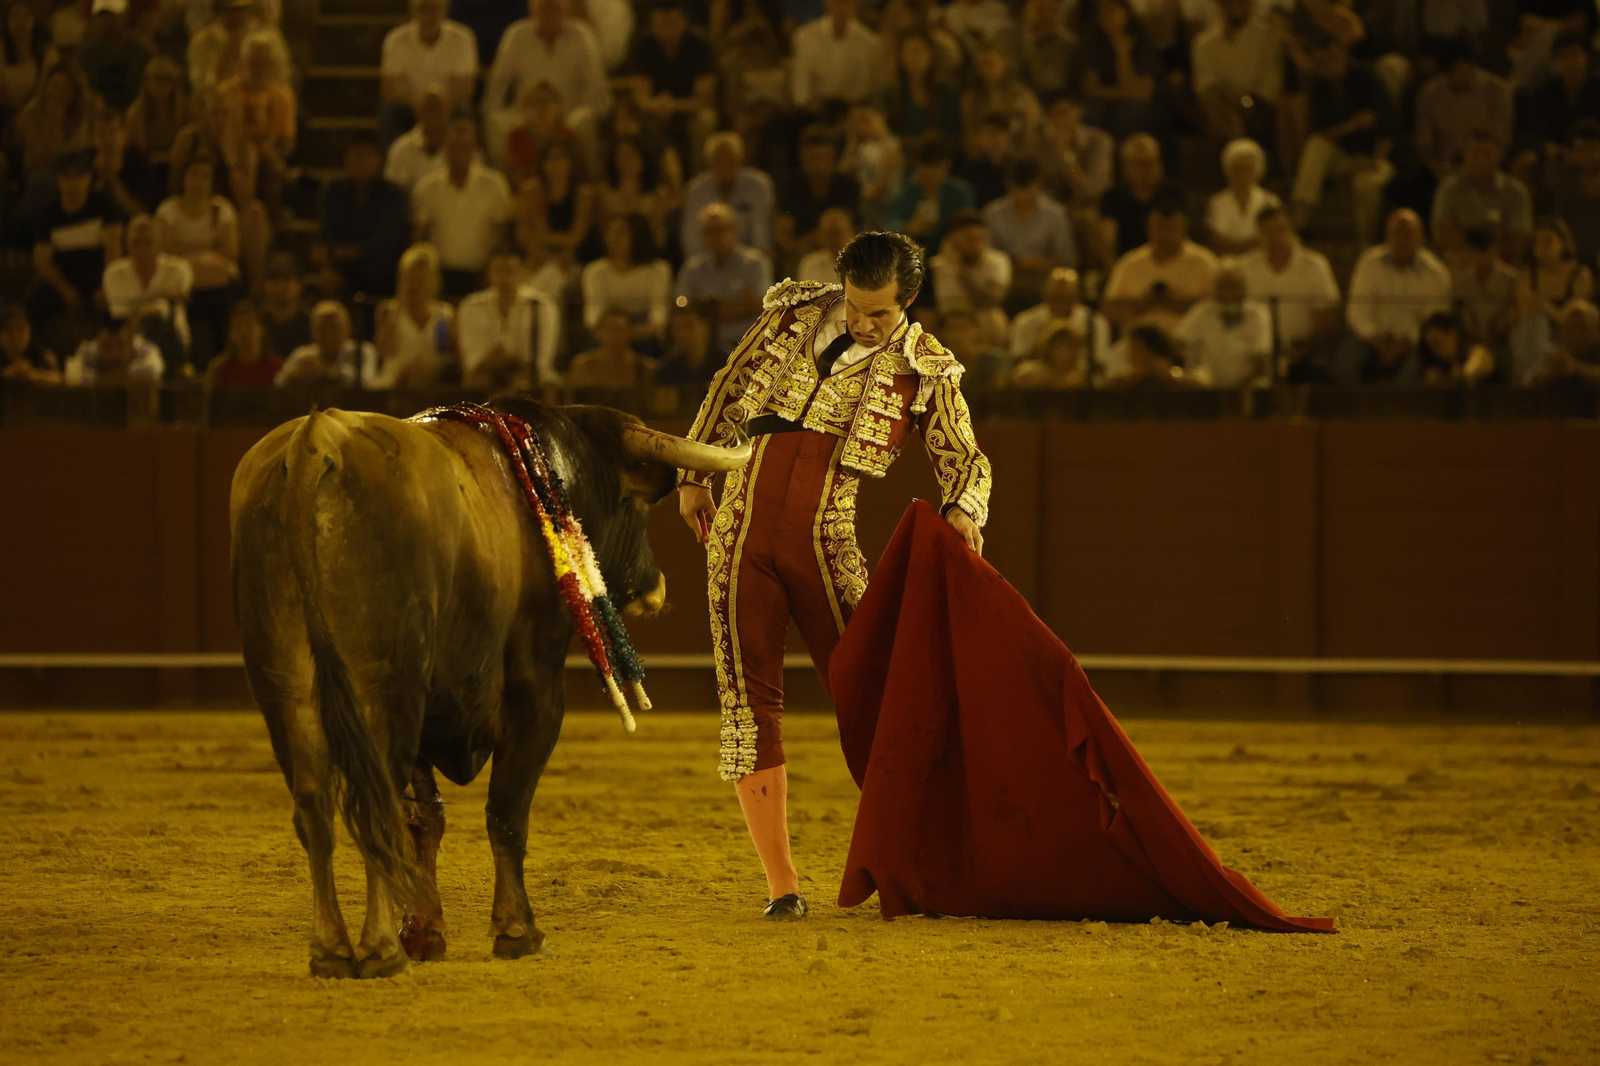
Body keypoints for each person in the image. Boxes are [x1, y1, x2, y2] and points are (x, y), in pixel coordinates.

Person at [674, 230, 990, 918]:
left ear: (908, 302)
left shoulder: (927, 368)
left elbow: (965, 457)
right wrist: (695, 472)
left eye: (879, 314)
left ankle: (917, 861)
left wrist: (965, 508)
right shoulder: (793, 311)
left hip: (827, 540)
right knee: (748, 705)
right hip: (739, 531)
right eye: (855, 307)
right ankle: (782, 886)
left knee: (875, 696)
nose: (862, 322)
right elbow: (730, 388)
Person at [1289, 37, 1395, 251]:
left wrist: (1374, 160)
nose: (1329, 63)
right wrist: (1353, 124)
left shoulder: (1368, 76)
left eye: (1332, 56)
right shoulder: (1318, 86)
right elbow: (1319, 133)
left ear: (1342, 53)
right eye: (1322, 60)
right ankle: (1300, 223)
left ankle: (1365, 244)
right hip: (1343, 158)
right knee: (1316, 146)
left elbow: (1389, 126)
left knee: (1366, 184)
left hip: (1377, 157)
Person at [483, 0, 610, 167]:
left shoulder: (582, 35)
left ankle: (584, 181)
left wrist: (598, 111)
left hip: (567, 114)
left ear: (566, 11)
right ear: (533, 11)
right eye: (545, 9)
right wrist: (490, 111)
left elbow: (596, 85)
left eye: (555, 9)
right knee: (496, 123)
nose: (550, 14)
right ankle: (505, 183)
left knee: (584, 121)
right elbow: (498, 83)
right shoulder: (516, 34)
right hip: (525, 115)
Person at [1341, 209, 1452, 385]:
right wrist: (1378, 341)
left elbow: (1434, 322)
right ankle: (1354, 411)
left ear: (1421, 238)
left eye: (1407, 235)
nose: (1400, 241)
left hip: (1414, 344)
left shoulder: (1436, 273)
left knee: (1419, 365)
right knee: (1346, 360)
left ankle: (1399, 412)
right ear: (1387, 236)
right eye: (1395, 234)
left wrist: (1404, 344)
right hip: (1372, 339)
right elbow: (1357, 312)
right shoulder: (1369, 263)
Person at [411, 118, 515, 297]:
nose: (459, 154)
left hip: (482, 275)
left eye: (465, 147)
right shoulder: (428, 187)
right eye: (453, 147)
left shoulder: (494, 184)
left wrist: (491, 272)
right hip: (441, 276)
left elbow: (502, 233)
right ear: (445, 150)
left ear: (475, 151)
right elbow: (418, 236)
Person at [26, 151, 125, 337]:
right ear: (58, 180)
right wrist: (64, 290)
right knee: (34, 303)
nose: (73, 184)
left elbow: (114, 250)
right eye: (67, 178)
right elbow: (41, 260)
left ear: (88, 178)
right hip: (63, 279)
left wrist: (107, 285)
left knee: (114, 304)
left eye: (79, 177)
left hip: (97, 278)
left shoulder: (105, 206)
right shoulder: (48, 215)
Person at [154, 152, 239, 364]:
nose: (199, 182)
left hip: (214, 281)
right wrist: (208, 246)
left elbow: (230, 253)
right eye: (194, 175)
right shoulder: (168, 210)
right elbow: (161, 250)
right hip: (182, 282)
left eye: (205, 176)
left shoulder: (222, 210)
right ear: (184, 178)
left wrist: (182, 249)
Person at [1237, 204, 1341, 373]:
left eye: (1279, 229)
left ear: (1290, 230)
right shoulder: (1243, 268)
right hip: (1254, 353)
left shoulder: (1315, 265)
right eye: (1267, 231)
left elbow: (1327, 315)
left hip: (1304, 352)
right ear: (1258, 235)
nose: (1275, 237)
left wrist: (1301, 352)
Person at [1101, 191, 1219, 333]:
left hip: (1189, 343)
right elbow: (1109, 309)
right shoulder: (1129, 262)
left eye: (1172, 228)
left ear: (1185, 227)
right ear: (1148, 228)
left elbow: (1217, 309)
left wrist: (1174, 303)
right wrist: (1143, 303)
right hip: (1139, 344)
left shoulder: (1205, 262)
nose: (1165, 234)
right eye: (1158, 227)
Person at [317, 133, 410, 300]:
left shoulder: (393, 195)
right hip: (342, 272)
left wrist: (341, 252)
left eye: (367, 155)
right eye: (356, 155)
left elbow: (385, 244)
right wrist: (330, 262)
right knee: (328, 279)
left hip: (382, 274)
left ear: (379, 159)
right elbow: (326, 236)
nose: (361, 160)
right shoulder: (333, 192)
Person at [1413, 36, 1513, 187]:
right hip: (1443, 170)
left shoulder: (1497, 91)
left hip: (1487, 167)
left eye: (1461, 70)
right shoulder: (1430, 94)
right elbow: (1425, 144)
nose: (1457, 78)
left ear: (1473, 65)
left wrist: (1477, 168)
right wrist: (1438, 170)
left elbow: (1501, 141)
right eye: (1451, 72)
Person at [457, 246, 561, 388]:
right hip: (487, 374)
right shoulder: (470, 306)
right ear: (489, 274)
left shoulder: (541, 305)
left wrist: (511, 359)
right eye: (499, 271)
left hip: (529, 376)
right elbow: (473, 360)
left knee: (523, 383)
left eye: (510, 271)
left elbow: (541, 361)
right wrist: (492, 360)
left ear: (524, 274)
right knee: (478, 381)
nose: (504, 278)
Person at [676, 202, 773, 353]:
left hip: (747, 345)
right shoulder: (692, 269)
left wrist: (708, 311)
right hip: (703, 349)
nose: (716, 237)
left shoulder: (756, 263)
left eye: (720, 229)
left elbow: (763, 306)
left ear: (735, 230)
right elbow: (683, 312)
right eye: (709, 232)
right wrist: (740, 305)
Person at [379, 0, 478, 144]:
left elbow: (465, 88)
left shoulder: (462, 38)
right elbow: (388, 88)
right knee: (389, 112)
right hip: (410, 107)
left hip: (449, 107)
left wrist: (439, 109)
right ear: (413, 11)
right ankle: (393, 162)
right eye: (423, 9)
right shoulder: (396, 39)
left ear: (444, 10)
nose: (428, 15)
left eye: (434, 9)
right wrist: (419, 107)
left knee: (464, 111)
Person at [983, 157, 1076, 302]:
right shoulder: (992, 213)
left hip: (1043, 280)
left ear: (1038, 185)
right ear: (1009, 184)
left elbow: (1067, 259)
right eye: (1017, 187)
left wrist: (1031, 263)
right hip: (1002, 279)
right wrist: (1010, 264)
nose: (1022, 193)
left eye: (1027, 187)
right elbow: (985, 255)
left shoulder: (1055, 215)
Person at [1430, 131, 1533, 263]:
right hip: (1458, 265)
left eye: (1486, 154)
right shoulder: (1448, 188)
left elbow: (1518, 237)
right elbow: (1442, 233)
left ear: (1499, 154)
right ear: (1465, 154)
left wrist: (1487, 258)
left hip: (1504, 267)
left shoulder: (1516, 192)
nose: (1481, 160)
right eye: (1475, 153)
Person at [1191, 0, 1282, 144]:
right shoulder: (1203, 43)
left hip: (1258, 112)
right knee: (1213, 99)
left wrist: (1245, 103)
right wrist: (1232, 99)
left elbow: (1270, 88)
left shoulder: (1268, 37)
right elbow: (1205, 86)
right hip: (1221, 110)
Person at [102, 213, 193, 355]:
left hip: (170, 343)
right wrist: (156, 301)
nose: (142, 250)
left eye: (148, 243)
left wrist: (140, 310)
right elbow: (119, 315)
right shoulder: (114, 274)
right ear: (126, 245)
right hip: (128, 347)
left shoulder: (178, 270)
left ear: (159, 244)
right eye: (136, 243)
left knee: (155, 323)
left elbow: (180, 297)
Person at [1173, 261, 1272, 387]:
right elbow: (1179, 343)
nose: (1228, 293)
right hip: (1206, 388)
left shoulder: (1257, 315)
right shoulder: (1202, 312)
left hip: (1245, 389)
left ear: (1244, 288)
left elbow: (1260, 363)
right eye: (1223, 287)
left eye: (1233, 286)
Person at [679, 131, 775, 259]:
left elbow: (762, 236)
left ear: (740, 159)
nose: (724, 164)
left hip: (749, 262)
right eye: (718, 159)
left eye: (729, 158)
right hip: (708, 263)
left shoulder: (759, 186)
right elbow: (692, 240)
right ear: (709, 162)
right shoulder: (695, 190)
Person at [372, 242, 455, 388]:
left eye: (420, 279)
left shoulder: (445, 314)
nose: (414, 285)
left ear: (433, 281)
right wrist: (397, 313)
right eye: (410, 278)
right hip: (393, 383)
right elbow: (382, 354)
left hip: (432, 384)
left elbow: (450, 355)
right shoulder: (387, 311)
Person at [581, 213, 670, 346]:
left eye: (622, 232)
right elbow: (593, 316)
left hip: (645, 337)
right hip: (607, 336)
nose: (615, 238)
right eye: (611, 232)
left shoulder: (658, 270)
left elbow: (659, 316)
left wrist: (629, 334)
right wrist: (614, 333)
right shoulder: (595, 271)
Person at [1009, 266, 1115, 376]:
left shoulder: (1095, 322)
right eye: (1055, 297)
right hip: (1039, 383)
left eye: (1066, 298)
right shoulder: (1025, 322)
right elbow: (1017, 361)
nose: (1060, 303)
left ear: (1077, 297)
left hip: (1080, 383)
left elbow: (1100, 363)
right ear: (1045, 295)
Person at [1078, 0, 1159, 141]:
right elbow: (1090, 88)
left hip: (1139, 105)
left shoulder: (1142, 42)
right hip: (1107, 101)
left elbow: (1143, 93)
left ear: (1126, 13)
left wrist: (1123, 55)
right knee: (1092, 111)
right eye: (1102, 13)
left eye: (1112, 11)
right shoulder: (1094, 41)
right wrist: (1124, 93)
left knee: (1129, 110)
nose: (1107, 17)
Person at [1096, 133, 1184, 263]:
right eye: (1139, 164)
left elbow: (1181, 237)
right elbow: (1108, 243)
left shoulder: (1175, 194)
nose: (1145, 170)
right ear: (1125, 167)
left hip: (1171, 262)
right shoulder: (1112, 197)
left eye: (1150, 163)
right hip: (1126, 264)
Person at [885, 134, 976, 256]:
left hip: (953, 253)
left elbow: (968, 222)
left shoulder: (959, 191)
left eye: (936, 168)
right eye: (925, 169)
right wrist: (909, 227)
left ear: (946, 166)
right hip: (912, 253)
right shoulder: (905, 193)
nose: (931, 174)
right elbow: (891, 224)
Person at [931, 209, 1011, 348]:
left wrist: (960, 271)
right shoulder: (936, 266)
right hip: (947, 323)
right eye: (970, 239)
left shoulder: (998, 262)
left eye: (980, 239)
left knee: (993, 318)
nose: (976, 245)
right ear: (953, 239)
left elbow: (990, 300)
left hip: (980, 319)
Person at [789, 0, 879, 110]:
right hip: (814, 111)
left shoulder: (869, 42)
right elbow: (801, 88)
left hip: (853, 111)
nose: (842, 7)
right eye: (838, 2)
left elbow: (867, 89)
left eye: (847, 2)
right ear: (826, 2)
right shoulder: (805, 37)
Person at [11, 62, 92, 182]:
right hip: (40, 171)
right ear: (46, 88)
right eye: (54, 86)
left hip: (74, 168)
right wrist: (53, 122)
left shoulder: (81, 113)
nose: (58, 93)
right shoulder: (33, 112)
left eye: (65, 88)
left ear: (74, 92)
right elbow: (36, 161)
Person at [882, 30, 963, 143]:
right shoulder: (891, 94)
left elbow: (954, 132)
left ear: (930, 55)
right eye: (908, 52)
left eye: (919, 51)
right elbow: (887, 135)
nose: (914, 58)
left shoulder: (947, 92)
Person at [275, 299, 379, 387]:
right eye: (322, 329)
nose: (329, 335)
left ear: (349, 328)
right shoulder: (302, 355)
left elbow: (368, 383)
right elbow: (278, 384)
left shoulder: (362, 351)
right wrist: (296, 375)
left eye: (335, 328)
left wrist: (327, 371)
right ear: (312, 331)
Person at [1036, 95, 1115, 209]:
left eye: (1063, 113)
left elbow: (1092, 192)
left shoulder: (1100, 141)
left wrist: (1065, 153)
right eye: (1053, 115)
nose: (1060, 120)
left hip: (1090, 209)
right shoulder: (1043, 145)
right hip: (1054, 210)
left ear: (1078, 111)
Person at [1206, 138, 1279, 255]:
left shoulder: (1270, 200)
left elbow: (1273, 238)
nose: (1243, 174)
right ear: (1229, 169)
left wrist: (1239, 245)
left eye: (1248, 168)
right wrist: (1252, 243)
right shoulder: (1217, 202)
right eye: (1239, 168)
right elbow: (1218, 243)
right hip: (1228, 263)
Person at [77, 0, 152, 113]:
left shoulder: (141, 53)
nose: (107, 22)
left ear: (125, 17)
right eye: (103, 17)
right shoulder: (88, 55)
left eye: (112, 16)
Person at [503, 79, 579, 186]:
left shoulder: (569, 136)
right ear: (526, 108)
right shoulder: (517, 136)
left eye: (546, 102)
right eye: (535, 103)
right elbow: (513, 175)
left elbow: (578, 173)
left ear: (557, 106)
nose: (541, 109)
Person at [125, 57, 188, 179]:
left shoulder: (185, 109)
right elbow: (140, 154)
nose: (161, 85)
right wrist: (170, 156)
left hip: (178, 166)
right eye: (157, 78)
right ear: (147, 81)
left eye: (167, 79)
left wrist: (173, 156)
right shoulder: (137, 113)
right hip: (146, 169)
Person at [566, 305, 656, 388]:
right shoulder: (583, 367)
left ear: (630, 332)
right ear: (598, 332)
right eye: (609, 330)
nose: (614, 336)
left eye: (620, 330)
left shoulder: (645, 370)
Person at [63, 314, 163, 384]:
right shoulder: (89, 349)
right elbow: (72, 375)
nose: (114, 354)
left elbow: (153, 370)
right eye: (107, 347)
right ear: (98, 341)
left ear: (131, 342)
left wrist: (101, 378)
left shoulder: (146, 349)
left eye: (120, 346)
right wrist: (123, 376)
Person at [204, 299, 282, 386]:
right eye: (237, 327)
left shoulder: (277, 368)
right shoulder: (220, 370)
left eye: (249, 325)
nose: (244, 332)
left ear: (261, 330)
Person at [0, 1, 54, 120]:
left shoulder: (46, 52)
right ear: (7, 22)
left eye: (26, 15)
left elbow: (48, 85)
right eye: (16, 15)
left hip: (38, 113)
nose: (21, 20)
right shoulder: (1, 52)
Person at [1104, 322, 1200, 388]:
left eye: (1135, 347)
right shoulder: (1123, 383)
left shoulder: (1181, 380)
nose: (1129, 353)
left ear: (1150, 349)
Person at [937, 304, 1008, 388]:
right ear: (944, 333)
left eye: (964, 329)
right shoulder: (936, 364)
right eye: (954, 328)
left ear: (975, 331)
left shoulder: (994, 361)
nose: (959, 335)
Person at [653, 302, 724, 386]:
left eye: (689, 326)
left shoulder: (725, 364)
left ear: (705, 327)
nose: (682, 334)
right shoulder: (668, 368)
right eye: (677, 328)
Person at [1532, 299, 1600, 386]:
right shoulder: (1557, 354)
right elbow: (1531, 382)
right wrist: (1550, 374)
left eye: (1583, 328)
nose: (1576, 335)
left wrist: (1577, 368)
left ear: (1596, 330)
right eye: (1570, 328)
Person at [1418, 311, 1496, 387]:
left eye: (1437, 343)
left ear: (1453, 334)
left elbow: (1468, 376)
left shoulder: (1478, 354)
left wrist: (1444, 380)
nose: (1435, 351)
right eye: (1431, 347)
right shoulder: (1447, 364)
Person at [257, 251, 309, 359]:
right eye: (274, 280)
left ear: (299, 285)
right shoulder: (258, 323)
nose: (280, 287)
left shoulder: (311, 322)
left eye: (286, 279)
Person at [1008, 317, 1087, 388]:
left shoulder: (1084, 374)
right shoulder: (1030, 373)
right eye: (1060, 347)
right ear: (1048, 349)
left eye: (1072, 347)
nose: (1066, 352)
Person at [959, 113, 1013, 209]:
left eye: (996, 134)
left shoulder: (1014, 166)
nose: (992, 140)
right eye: (988, 134)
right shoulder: (973, 169)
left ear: (1007, 135)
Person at [0, 303, 62, 384]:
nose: (15, 336)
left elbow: (58, 378)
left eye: (20, 329)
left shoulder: (37, 355)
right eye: (8, 330)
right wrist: (9, 373)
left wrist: (30, 374)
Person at [797, 206, 855, 285]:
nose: (834, 239)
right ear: (821, 237)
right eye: (829, 234)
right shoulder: (809, 265)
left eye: (837, 233)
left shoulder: (866, 264)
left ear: (851, 232)